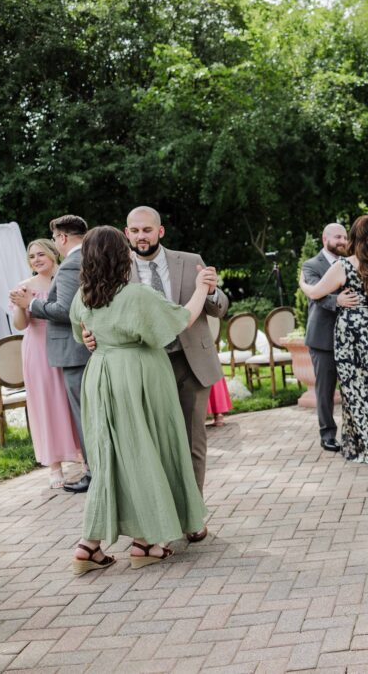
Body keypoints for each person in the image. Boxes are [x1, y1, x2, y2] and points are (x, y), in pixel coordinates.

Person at [68, 227, 210, 575]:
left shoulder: (82, 297)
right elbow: (181, 320)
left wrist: (93, 338)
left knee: (110, 456)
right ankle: (145, 541)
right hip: (139, 374)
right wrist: (203, 288)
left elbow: (81, 331)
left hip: (101, 375)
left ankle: (89, 546)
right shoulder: (136, 295)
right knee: (149, 447)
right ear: (121, 256)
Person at [123, 206, 228, 542]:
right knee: (154, 444)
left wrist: (211, 290)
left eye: (147, 230)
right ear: (127, 233)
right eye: (135, 230)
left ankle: (193, 516)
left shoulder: (189, 259)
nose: (141, 236)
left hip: (188, 363)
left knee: (192, 441)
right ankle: (162, 516)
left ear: (160, 231)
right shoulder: (118, 267)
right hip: (144, 366)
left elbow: (218, 306)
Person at [305, 215, 368, 470]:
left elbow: (315, 293)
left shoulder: (344, 266)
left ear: (355, 237)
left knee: (357, 390)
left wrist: (303, 283)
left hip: (353, 333)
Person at [10, 215, 92, 493]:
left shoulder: (68, 272)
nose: (36, 259)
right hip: (38, 351)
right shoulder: (24, 286)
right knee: (47, 405)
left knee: (73, 404)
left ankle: (83, 458)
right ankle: (55, 463)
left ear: (55, 248)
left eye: (41, 253)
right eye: (31, 256)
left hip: (70, 344)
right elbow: (20, 325)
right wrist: (23, 305)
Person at [298, 223, 359, 453]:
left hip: (351, 336)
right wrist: (337, 301)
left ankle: (354, 433)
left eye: (345, 237)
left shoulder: (352, 262)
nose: (343, 241)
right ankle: (328, 434)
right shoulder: (311, 265)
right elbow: (316, 294)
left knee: (352, 387)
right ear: (325, 239)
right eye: (338, 237)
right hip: (323, 337)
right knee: (324, 391)